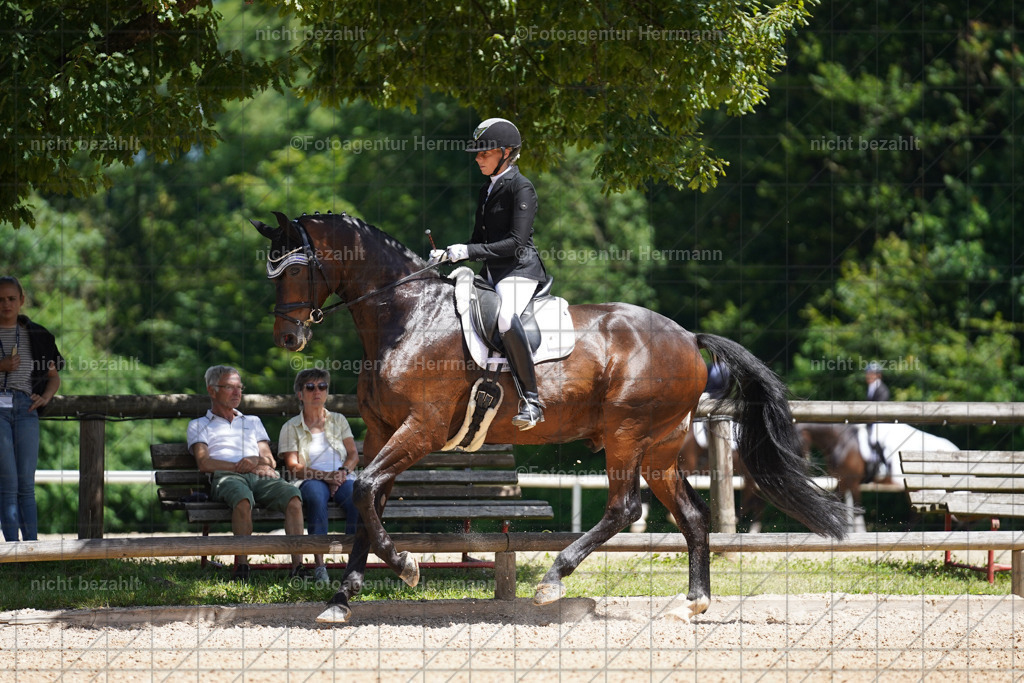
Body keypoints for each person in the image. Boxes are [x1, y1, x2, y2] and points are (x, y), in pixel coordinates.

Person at [436, 117, 549, 430]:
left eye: (484, 153)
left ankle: (532, 400)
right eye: (478, 153)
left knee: (505, 316)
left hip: (519, 271)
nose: (478, 158)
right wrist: (448, 253)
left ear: (507, 153)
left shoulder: (521, 187)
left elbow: (516, 242)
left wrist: (469, 252)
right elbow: (477, 241)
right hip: (492, 274)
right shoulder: (487, 190)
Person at [187, 365, 305, 581]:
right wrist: (241, 466)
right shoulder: (198, 425)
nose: (237, 393)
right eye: (230, 388)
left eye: (239, 388)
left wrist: (255, 461)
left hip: (260, 475)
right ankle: (242, 568)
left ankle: (298, 569)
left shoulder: (252, 421)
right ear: (212, 391)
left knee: (293, 498)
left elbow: (269, 459)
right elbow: (204, 463)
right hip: (225, 477)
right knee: (242, 499)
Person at [279, 368, 359, 585]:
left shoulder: (339, 420)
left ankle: (353, 566)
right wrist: (326, 477)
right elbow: (294, 467)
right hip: (309, 478)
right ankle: (320, 565)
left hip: (341, 477)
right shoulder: (290, 426)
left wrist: (341, 474)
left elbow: (353, 455)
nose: (317, 391)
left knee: (356, 497)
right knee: (315, 495)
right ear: (300, 394)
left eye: (322, 386)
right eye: (311, 387)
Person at [0, 276, 63, 542]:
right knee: (9, 484)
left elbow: (54, 376)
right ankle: (12, 554)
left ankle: (32, 551)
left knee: (26, 485)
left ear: (22, 300)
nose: (6, 304)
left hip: (27, 408)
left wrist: (46, 397)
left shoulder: (37, 334)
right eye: (0, 300)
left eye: (11, 299)